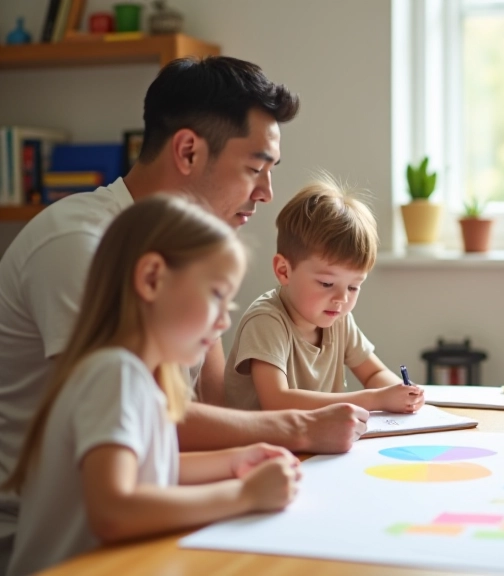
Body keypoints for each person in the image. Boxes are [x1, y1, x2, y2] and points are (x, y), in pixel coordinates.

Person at [0, 56, 365, 572]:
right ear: (189, 151)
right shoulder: (81, 245)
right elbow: (154, 426)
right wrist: (298, 427)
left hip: (149, 509)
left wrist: (247, 457)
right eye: (255, 168)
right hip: (59, 549)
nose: (266, 193)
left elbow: (198, 407)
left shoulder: (186, 266)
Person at [4, 197, 300, 575]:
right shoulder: (113, 373)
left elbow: (153, 468)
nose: (225, 321)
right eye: (216, 295)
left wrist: (234, 460)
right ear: (151, 278)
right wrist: (243, 495)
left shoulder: (137, 376)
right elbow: (113, 510)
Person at [223, 177, 424, 413]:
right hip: (263, 445)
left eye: (353, 287)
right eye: (327, 283)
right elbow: (277, 401)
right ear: (284, 271)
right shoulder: (266, 322)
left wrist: (402, 393)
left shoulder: (338, 318)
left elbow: (373, 373)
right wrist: (376, 400)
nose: (341, 298)